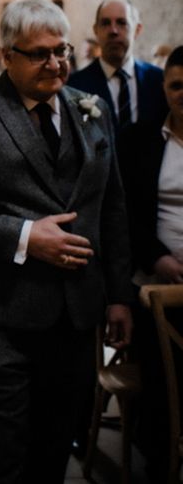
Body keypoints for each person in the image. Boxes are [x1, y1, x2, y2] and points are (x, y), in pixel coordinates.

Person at [0, 0, 134, 483]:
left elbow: (113, 208)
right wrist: (23, 236)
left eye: (62, 51)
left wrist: (120, 295)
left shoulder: (93, 110)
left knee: (53, 452)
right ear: (7, 56)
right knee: (1, 461)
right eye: (39, 53)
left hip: (76, 318)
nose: (56, 63)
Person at [118, 45, 183, 482]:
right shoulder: (141, 140)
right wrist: (159, 257)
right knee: (165, 374)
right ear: (164, 88)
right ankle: (159, 454)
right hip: (155, 278)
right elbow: (126, 213)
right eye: (177, 85)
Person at [69, 0, 167, 132]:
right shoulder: (75, 86)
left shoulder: (158, 80)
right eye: (105, 23)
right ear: (96, 30)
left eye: (122, 23)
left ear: (137, 30)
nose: (113, 31)